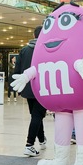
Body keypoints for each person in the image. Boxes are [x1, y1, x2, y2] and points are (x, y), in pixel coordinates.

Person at [14, 26, 47, 156]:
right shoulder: (45, 49)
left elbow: (17, 70)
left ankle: (42, 139)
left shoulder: (24, 50)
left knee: (36, 115)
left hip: (27, 88)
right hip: (41, 88)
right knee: (37, 115)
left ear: (33, 35)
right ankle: (29, 144)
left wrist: (17, 87)